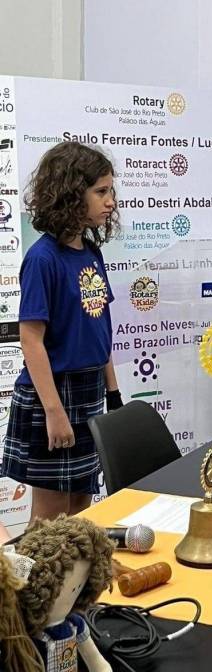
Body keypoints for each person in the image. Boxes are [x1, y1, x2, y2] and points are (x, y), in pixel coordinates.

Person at [0, 142, 122, 522]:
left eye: (111, 191)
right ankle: (36, 567)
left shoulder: (91, 253)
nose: (111, 202)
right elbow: (31, 339)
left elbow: (100, 328)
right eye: (101, 192)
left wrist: (114, 394)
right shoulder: (43, 259)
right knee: (51, 517)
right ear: (71, 194)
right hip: (53, 395)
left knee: (81, 509)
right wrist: (54, 412)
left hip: (89, 391)